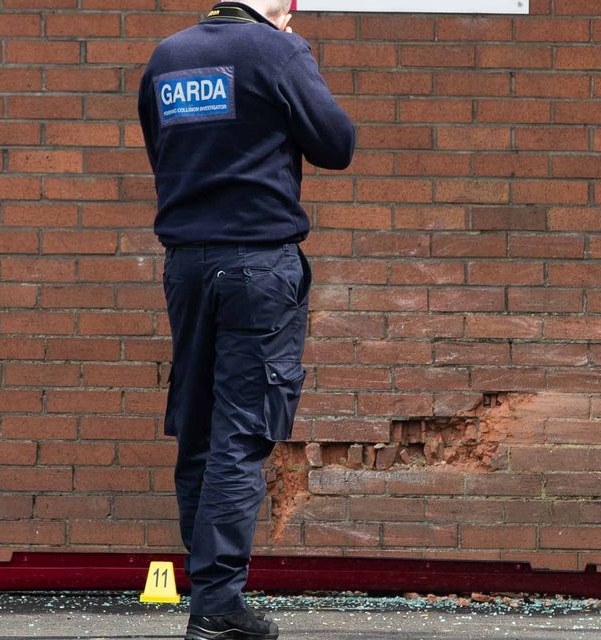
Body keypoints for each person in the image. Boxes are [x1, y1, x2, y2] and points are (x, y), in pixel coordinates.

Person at [137, 1, 355, 638]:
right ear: (282, 3)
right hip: (257, 264)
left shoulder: (168, 57)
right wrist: (286, 54)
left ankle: (209, 596)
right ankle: (218, 606)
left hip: (187, 263)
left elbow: (164, 152)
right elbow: (336, 145)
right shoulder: (278, 51)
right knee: (241, 432)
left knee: (199, 429)